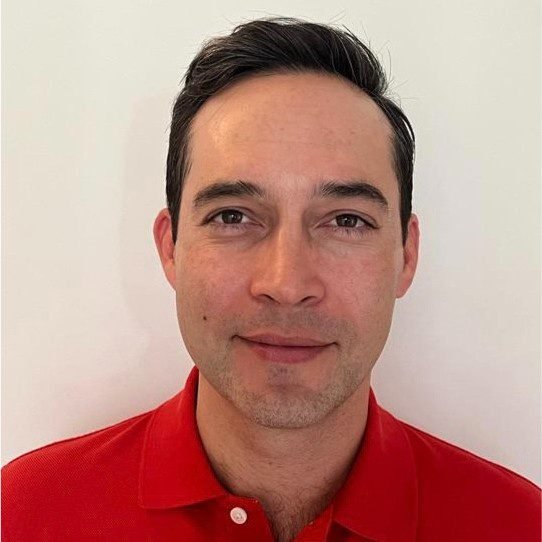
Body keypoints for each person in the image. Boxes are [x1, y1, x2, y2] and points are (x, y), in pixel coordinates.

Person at [2, 17, 540, 542]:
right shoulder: (21, 516)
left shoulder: (521, 526)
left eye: (346, 221)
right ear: (171, 248)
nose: (286, 283)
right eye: (233, 216)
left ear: (406, 254)